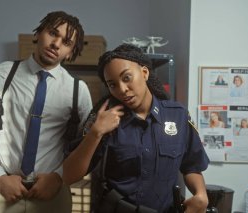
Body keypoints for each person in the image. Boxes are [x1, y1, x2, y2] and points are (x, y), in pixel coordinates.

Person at [0, 11, 92, 213]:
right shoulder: (3, 74)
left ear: (70, 52)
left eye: (66, 42)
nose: (56, 44)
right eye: (52, 33)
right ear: (38, 33)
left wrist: (58, 177)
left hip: (52, 193)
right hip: (2, 190)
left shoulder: (79, 90)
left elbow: (85, 147)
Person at [63, 44, 209, 213]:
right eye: (113, 85)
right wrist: (95, 133)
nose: (122, 90)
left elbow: (191, 165)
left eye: (126, 78)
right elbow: (69, 176)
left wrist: (201, 194)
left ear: (144, 73)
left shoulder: (177, 115)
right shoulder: (104, 120)